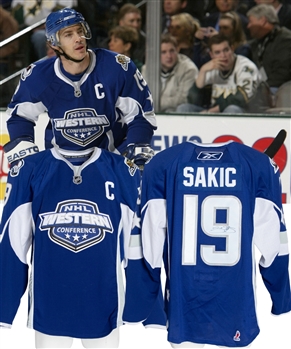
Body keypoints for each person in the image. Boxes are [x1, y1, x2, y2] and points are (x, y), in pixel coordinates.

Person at [139, 139, 291, 347]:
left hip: (183, 300)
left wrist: (147, 303)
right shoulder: (258, 165)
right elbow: (276, 244)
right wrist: (281, 297)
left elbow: (149, 245)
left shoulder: (162, 163)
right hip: (235, 304)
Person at [4, 7, 156, 168]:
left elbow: (141, 115)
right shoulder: (38, 76)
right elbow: (20, 117)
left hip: (111, 164)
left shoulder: (117, 67)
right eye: (69, 34)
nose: (79, 39)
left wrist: (136, 148)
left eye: (80, 31)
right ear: (53, 43)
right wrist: (27, 158)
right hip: (60, 168)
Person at [176, 34, 261, 114]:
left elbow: (241, 98)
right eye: (217, 52)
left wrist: (211, 111)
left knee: (232, 109)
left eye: (226, 50)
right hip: (214, 113)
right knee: (183, 108)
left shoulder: (246, 67)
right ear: (211, 55)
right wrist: (202, 71)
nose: (223, 56)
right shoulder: (210, 68)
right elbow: (193, 101)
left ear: (232, 49)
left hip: (245, 113)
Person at [141, 33, 198, 113]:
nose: (169, 56)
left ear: (177, 49)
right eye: (163, 52)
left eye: (172, 51)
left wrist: (155, 102)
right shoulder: (148, 69)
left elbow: (183, 99)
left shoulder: (188, 69)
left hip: (175, 114)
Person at [11, 0, 76, 61]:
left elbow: (67, 12)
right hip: (30, 32)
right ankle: (46, 66)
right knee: (39, 36)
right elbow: (16, 19)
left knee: (45, 36)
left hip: (58, 28)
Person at [247, 4, 291, 93]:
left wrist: (262, 89)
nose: (248, 26)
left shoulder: (286, 40)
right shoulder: (256, 43)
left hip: (281, 89)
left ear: (263, 21)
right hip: (263, 88)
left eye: (251, 22)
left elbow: (282, 73)